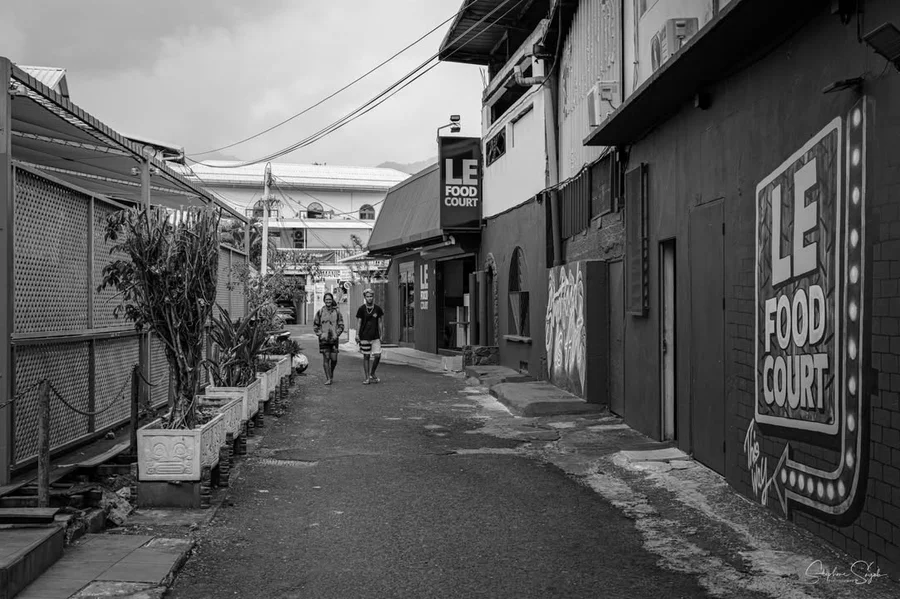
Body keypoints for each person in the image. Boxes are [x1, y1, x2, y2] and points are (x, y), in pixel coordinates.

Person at [313, 292, 344, 385]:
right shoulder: (320, 312)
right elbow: (315, 325)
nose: (328, 301)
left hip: (334, 339)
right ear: (324, 300)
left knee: (334, 359)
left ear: (332, 300)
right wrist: (320, 334)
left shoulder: (337, 312)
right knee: (326, 358)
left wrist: (337, 333)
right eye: (326, 299)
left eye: (330, 299)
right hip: (324, 339)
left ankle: (331, 372)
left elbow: (341, 324)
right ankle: (328, 378)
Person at [355, 288, 385, 384]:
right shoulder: (361, 309)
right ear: (365, 297)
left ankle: (372, 373)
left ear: (373, 297)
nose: (369, 298)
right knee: (366, 356)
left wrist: (381, 334)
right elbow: (359, 322)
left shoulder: (377, 309)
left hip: (375, 336)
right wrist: (357, 334)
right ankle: (367, 377)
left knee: (377, 355)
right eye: (367, 296)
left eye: (371, 296)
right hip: (364, 336)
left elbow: (380, 322)